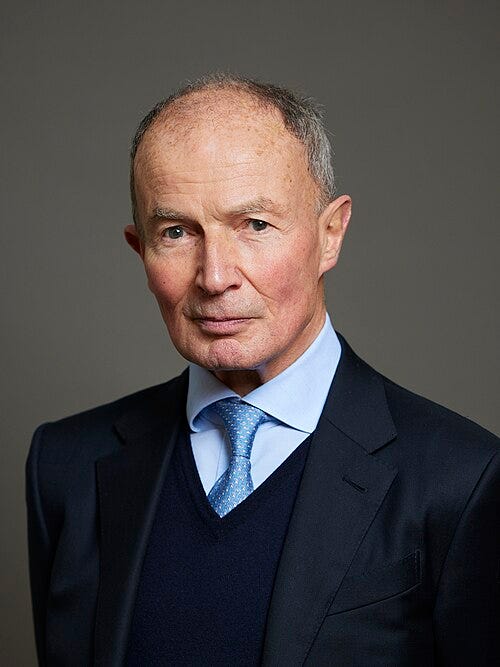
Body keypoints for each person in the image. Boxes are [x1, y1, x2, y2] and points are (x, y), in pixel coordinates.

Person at [26, 74, 499, 667]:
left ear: (330, 235)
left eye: (255, 225)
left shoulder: (461, 479)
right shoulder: (65, 466)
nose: (215, 276)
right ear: (139, 250)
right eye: (176, 232)